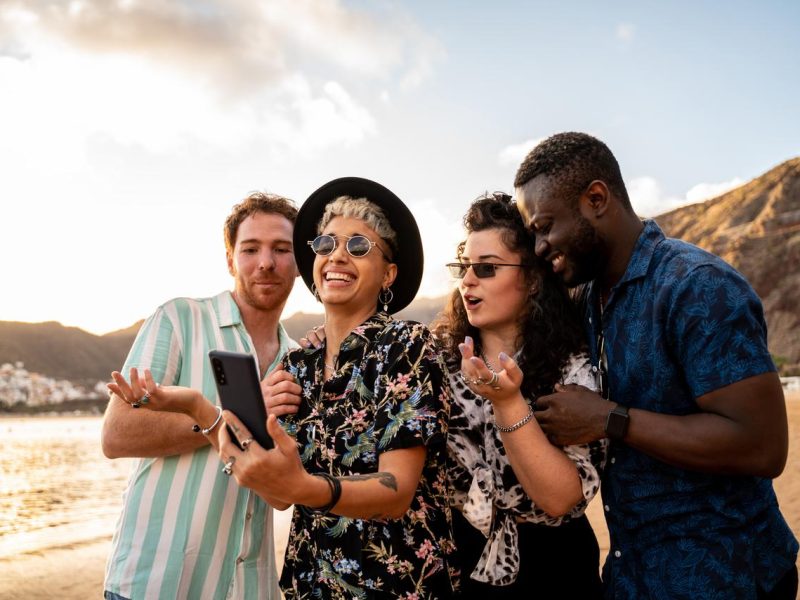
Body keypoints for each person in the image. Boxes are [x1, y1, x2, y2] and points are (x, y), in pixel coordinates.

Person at [513, 131, 799, 599]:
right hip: (636, 580)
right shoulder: (587, 299)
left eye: (545, 226)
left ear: (597, 199)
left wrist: (610, 419)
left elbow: (763, 446)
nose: (541, 246)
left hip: (731, 578)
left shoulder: (697, 287)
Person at [217, 177, 459, 598]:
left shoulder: (409, 347)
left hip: (399, 584)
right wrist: (239, 434)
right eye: (326, 244)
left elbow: (396, 491)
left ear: (389, 274)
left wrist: (302, 488)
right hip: (312, 584)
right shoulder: (297, 365)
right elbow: (279, 496)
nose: (338, 256)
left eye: (359, 246)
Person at [101, 191, 299, 600]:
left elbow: (281, 497)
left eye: (282, 249)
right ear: (230, 259)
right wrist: (237, 413)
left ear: (299, 265)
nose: (266, 262)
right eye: (251, 249)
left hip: (249, 588)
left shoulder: (299, 361)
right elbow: (116, 435)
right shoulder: (178, 319)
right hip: (156, 582)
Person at [430, 192, 606, 597]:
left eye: (487, 268)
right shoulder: (436, 358)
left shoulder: (571, 368)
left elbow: (560, 499)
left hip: (556, 570)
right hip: (461, 562)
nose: (467, 281)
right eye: (464, 268)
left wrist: (507, 402)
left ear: (532, 280)